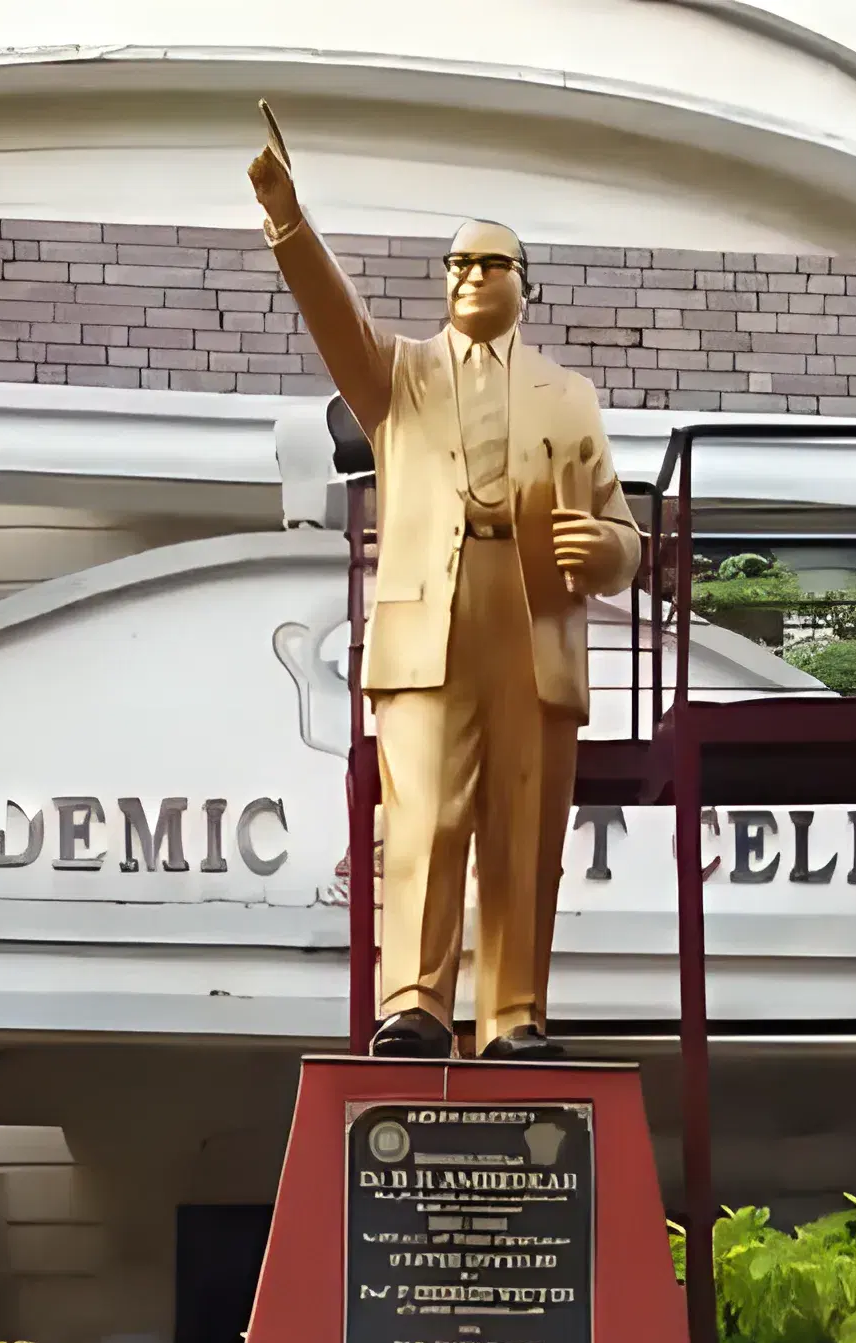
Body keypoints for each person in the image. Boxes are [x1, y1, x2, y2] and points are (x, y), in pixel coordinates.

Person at [249, 115, 641, 1060]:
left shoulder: (568, 396)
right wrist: (289, 223)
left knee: (523, 820)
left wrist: (610, 553)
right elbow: (332, 316)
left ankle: (512, 1015)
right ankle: (416, 1005)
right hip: (430, 617)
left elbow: (622, 527)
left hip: (534, 611)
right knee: (425, 812)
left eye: (490, 264)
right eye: (456, 264)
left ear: (524, 288)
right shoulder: (396, 376)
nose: (470, 276)